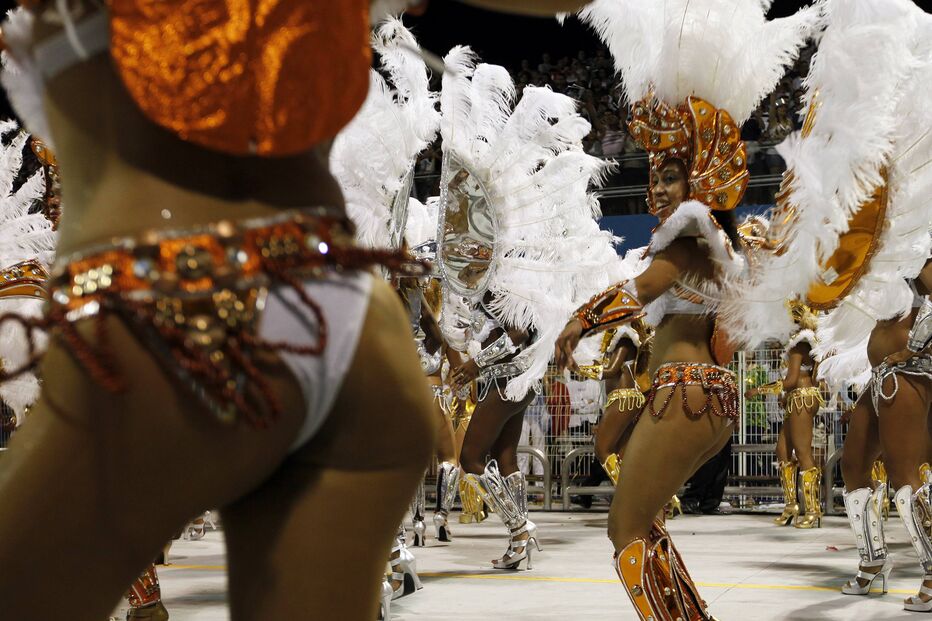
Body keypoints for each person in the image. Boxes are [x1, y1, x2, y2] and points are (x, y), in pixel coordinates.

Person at [554, 2, 817, 618]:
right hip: (701, 393)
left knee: (624, 527)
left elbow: (641, 291)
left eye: (671, 174)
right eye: (656, 174)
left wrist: (578, 321)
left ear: (697, 178)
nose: (658, 185)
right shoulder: (713, 241)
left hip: (685, 391)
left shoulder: (692, 233)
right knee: (643, 526)